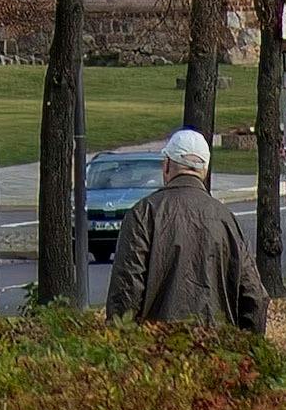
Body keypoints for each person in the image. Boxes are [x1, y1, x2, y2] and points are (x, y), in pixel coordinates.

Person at [104, 121, 267, 339]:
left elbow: (126, 290)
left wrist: (122, 346)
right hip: (218, 352)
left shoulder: (144, 214)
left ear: (167, 165)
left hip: (157, 352)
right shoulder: (226, 219)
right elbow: (253, 295)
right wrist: (247, 350)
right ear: (205, 170)